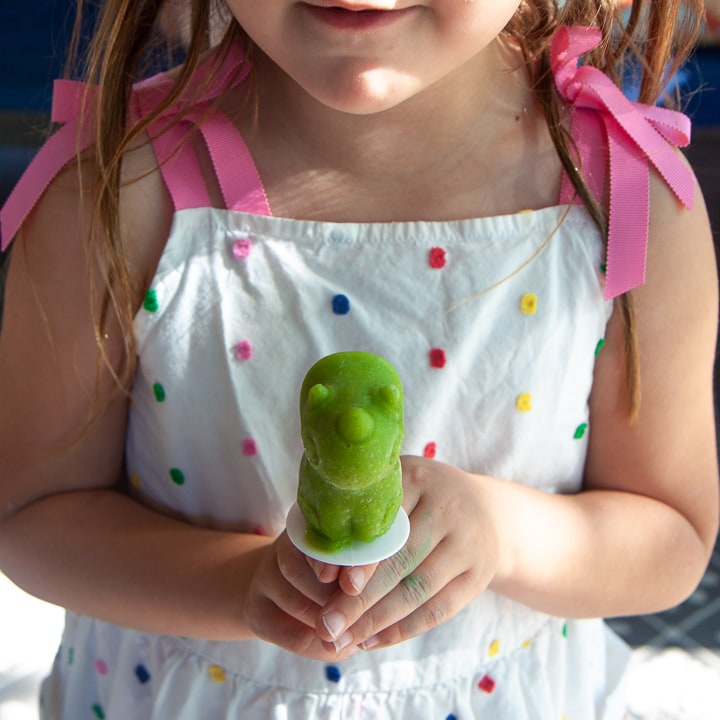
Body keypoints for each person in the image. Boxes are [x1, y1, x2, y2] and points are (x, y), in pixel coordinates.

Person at [0, 1, 717, 718]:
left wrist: (499, 532)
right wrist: (237, 586)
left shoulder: (628, 200)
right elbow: (33, 515)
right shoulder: (117, 192)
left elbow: (671, 535)